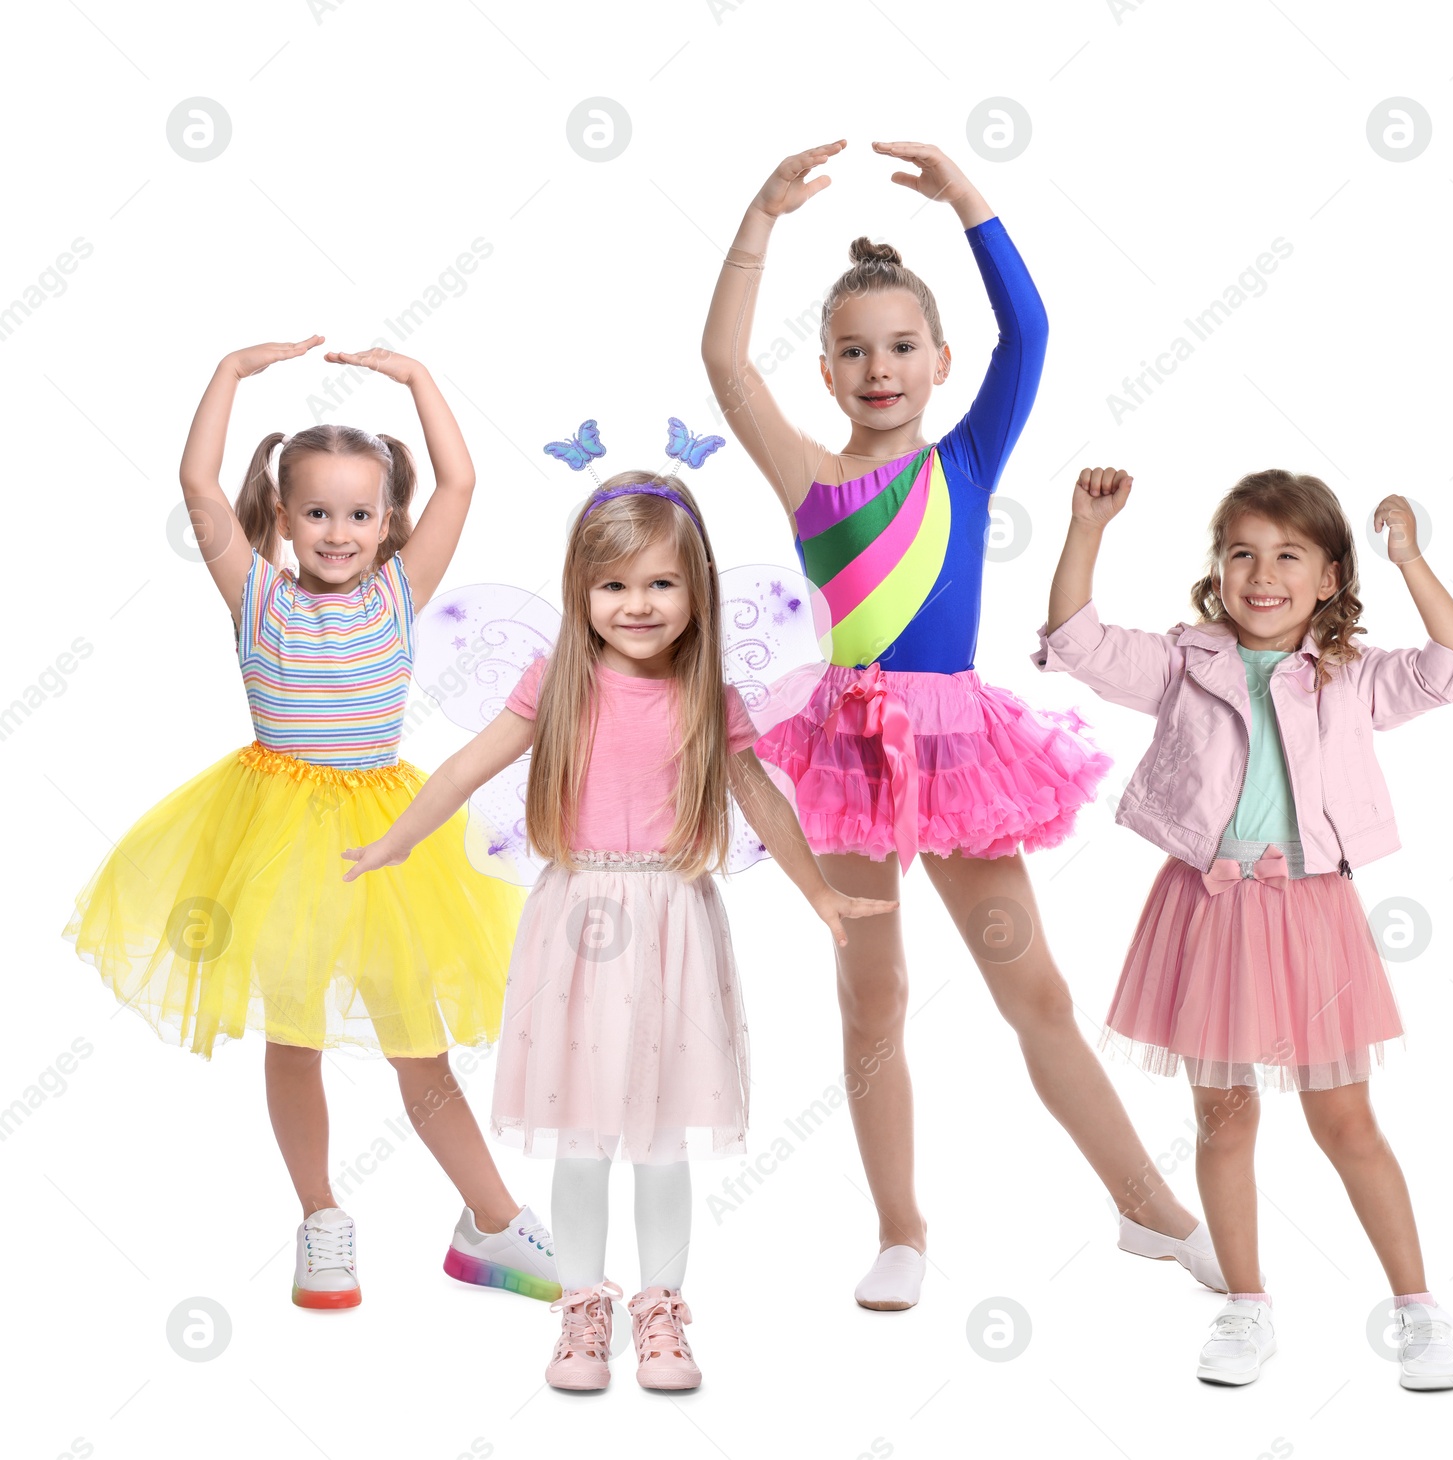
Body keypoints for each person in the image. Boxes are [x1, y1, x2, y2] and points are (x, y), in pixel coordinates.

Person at [702, 140, 1224, 1309]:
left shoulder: (967, 460)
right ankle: (900, 1228)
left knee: (1030, 987)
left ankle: (1151, 1205)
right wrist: (758, 219)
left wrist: (970, 203)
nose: (877, 367)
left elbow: (1028, 336)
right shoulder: (807, 476)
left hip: (954, 750)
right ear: (827, 372)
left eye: (899, 347)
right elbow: (724, 360)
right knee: (870, 991)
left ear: (937, 362)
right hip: (847, 750)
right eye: (851, 351)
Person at [345, 471, 895, 1390]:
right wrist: (395, 841)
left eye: (660, 584)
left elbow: (759, 795)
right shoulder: (560, 679)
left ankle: (663, 1313)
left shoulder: (705, 690)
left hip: (676, 917)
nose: (636, 605)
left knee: (661, 1135)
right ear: (581, 591)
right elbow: (467, 764)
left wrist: (824, 897)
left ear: (698, 590)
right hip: (579, 922)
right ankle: (581, 1310)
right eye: (614, 585)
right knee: (582, 1130)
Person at [63, 338, 558, 1310]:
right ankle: (322, 1215)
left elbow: (460, 481)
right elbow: (197, 481)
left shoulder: (397, 592)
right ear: (283, 518)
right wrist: (230, 373)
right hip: (278, 839)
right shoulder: (257, 595)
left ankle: (492, 1220)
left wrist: (419, 379)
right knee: (294, 1036)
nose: (339, 531)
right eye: (318, 512)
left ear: (388, 523)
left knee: (418, 1042)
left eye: (360, 513)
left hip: (385, 836)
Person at [1034, 465, 1453, 1388]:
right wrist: (1087, 529)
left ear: (1329, 578)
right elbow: (1075, 643)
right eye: (1242, 552)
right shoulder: (1184, 661)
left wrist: (1410, 562)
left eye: (1289, 555)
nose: (1262, 573)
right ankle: (1247, 1305)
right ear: (1218, 568)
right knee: (1223, 1115)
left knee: (1345, 1119)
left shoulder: (1351, 675)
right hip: (1205, 908)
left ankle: (1417, 1307)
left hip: (1313, 912)